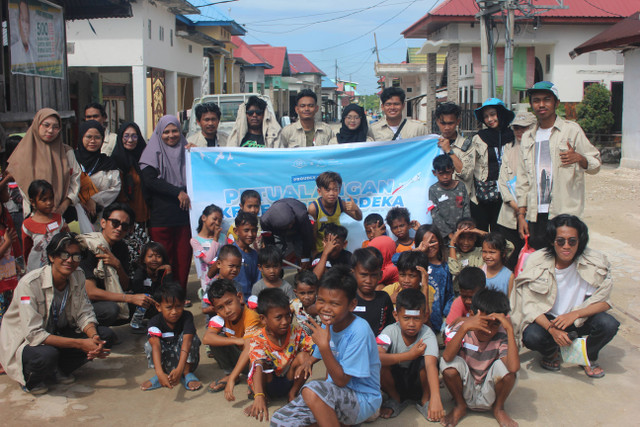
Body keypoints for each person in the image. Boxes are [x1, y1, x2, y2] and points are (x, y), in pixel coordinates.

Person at [0, 232, 116, 395]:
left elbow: (84, 312)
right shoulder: (29, 285)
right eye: (64, 254)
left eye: (76, 256)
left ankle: (58, 369)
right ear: (52, 256)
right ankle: (30, 379)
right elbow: (33, 334)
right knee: (46, 354)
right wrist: (80, 344)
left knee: (105, 336)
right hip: (27, 341)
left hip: (56, 332)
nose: (70, 260)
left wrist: (93, 337)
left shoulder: (78, 275)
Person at [270, 266, 382, 427]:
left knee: (311, 390)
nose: (326, 309)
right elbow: (320, 351)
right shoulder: (329, 323)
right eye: (321, 301)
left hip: (362, 400)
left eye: (335, 303)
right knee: (280, 420)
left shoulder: (359, 330)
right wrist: (309, 361)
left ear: (352, 305)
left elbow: (342, 381)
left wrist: (324, 347)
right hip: (332, 395)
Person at [511, 214, 619, 378]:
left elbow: (604, 303)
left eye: (572, 241)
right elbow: (528, 304)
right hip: (549, 320)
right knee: (531, 336)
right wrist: (552, 329)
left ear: (580, 241)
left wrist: (575, 314)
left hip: (578, 318)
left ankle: (587, 356)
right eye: (560, 241)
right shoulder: (536, 261)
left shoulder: (594, 262)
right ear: (552, 241)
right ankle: (552, 352)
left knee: (608, 324)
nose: (566, 246)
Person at [516, 81, 602, 248]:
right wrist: (521, 215)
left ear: (556, 103)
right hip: (536, 215)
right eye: (536, 100)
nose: (541, 104)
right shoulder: (527, 137)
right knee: (541, 262)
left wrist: (579, 158)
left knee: (565, 262)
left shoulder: (572, 131)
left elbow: (596, 164)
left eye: (547, 99)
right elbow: (522, 180)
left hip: (565, 213)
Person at [440, 288, 520, 427]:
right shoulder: (462, 327)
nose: (488, 329)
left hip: (488, 390)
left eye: (494, 324)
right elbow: (447, 356)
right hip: (465, 387)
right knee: (448, 366)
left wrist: (509, 330)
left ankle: (499, 408)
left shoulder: (502, 334)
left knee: (509, 372)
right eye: (484, 322)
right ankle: (460, 406)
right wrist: (465, 327)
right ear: (472, 315)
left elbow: (513, 368)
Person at [241, 288, 314, 421]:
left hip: (289, 380)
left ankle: (293, 394)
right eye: (278, 317)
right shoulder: (258, 338)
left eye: (288, 315)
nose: (285, 321)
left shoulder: (296, 332)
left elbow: (315, 348)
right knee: (259, 363)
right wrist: (259, 395)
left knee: (305, 357)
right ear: (263, 319)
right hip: (268, 383)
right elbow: (257, 365)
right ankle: (261, 397)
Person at [140, 115, 193, 292]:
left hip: (184, 216)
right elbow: (150, 181)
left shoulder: (187, 151)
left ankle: (180, 293)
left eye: (175, 131)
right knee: (163, 257)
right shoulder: (151, 153)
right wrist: (177, 192)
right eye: (166, 132)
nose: (171, 135)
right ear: (159, 133)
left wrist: (197, 154)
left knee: (183, 257)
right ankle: (165, 294)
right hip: (161, 217)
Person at [79, 203, 153, 327]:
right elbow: (90, 292)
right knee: (111, 310)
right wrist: (129, 298)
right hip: (84, 304)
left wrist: (117, 265)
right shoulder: (89, 246)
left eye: (124, 226)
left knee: (149, 304)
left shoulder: (121, 247)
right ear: (103, 223)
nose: (119, 228)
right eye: (115, 223)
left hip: (109, 297)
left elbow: (124, 286)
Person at [377, 289, 443, 421]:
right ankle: (395, 398)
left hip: (418, 382)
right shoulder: (389, 331)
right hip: (396, 381)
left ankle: (426, 401)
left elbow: (431, 366)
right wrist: (409, 355)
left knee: (426, 362)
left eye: (417, 318)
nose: (411, 324)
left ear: (425, 317)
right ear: (396, 316)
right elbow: (376, 357)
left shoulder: (427, 334)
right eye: (406, 318)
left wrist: (436, 398)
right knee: (379, 364)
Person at [6, 108, 81, 218]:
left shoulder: (66, 152)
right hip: (34, 215)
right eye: (46, 125)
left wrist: (63, 206)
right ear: (37, 124)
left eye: (55, 127)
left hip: (64, 213)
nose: (50, 130)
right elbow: (22, 185)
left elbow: (75, 180)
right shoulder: (23, 153)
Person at [140, 283, 202, 391]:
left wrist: (180, 369)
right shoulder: (154, 322)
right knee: (149, 344)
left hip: (186, 361)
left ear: (183, 304)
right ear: (158, 307)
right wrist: (159, 373)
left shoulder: (187, 317)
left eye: (178, 306)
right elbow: (155, 345)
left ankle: (187, 373)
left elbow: (187, 342)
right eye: (169, 307)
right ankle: (162, 376)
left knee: (193, 338)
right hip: (166, 361)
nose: (174, 312)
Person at [204, 278, 262, 393]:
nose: (227, 310)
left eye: (229, 303)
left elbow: (248, 349)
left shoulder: (251, 316)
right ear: (216, 310)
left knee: (254, 354)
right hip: (240, 355)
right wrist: (237, 341)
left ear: (240, 298)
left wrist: (232, 378)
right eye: (220, 307)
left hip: (256, 360)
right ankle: (229, 373)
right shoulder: (221, 318)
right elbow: (207, 338)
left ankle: (249, 379)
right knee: (216, 340)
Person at [497, 112, 536, 269]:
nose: (520, 132)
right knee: (509, 258)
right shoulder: (508, 149)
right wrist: (517, 208)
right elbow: (503, 182)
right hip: (509, 213)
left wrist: (525, 209)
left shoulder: (540, 151)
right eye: (516, 128)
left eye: (524, 128)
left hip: (533, 214)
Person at [471, 98, 515, 232]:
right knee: (481, 231)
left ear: (501, 114)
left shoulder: (513, 136)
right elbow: (471, 163)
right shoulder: (479, 138)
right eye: (486, 116)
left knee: (501, 232)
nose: (489, 119)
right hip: (484, 193)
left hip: (507, 192)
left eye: (493, 114)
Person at [111, 121, 149, 271]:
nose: (130, 140)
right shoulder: (114, 161)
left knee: (142, 256)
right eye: (126, 136)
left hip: (142, 216)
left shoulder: (145, 159)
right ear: (120, 138)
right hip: (123, 221)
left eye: (134, 136)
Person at [75, 120, 121, 227]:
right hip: (75, 214)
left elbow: (115, 187)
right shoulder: (71, 160)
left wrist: (94, 200)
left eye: (97, 137)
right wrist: (82, 202)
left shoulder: (108, 163)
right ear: (81, 137)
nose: (93, 141)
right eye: (88, 137)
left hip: (100, 216)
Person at [308, 171, 362, 254]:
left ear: (339, 190)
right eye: (327, 190)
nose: (332, 193)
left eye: (335, 189)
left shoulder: (341, 204)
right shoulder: (314, 208)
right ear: (319, 191)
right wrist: (314, 250)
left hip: (337, 248)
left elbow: (359, 218)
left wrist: (356, 209)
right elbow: (312, 232)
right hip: (321, 249)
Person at [435, 102, 478, 204]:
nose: (447, 127)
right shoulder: (433, 145)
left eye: (450, 123)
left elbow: (466, 174)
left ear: (458, 121)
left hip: (462, 202)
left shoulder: (467, 145)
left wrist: (449, 151)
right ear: (437, 122)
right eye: (443, 123)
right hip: (439, 201)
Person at [414, 224, 454, 334]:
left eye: (432, 242)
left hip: (435, 324)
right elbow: (396, 260)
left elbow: (449, 295)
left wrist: (446, 317)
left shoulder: (445, 268)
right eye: (425, 243)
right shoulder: (414, 264)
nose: (429, 246)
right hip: (414, 321)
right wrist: (418, 251)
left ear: (440, 242)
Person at [22, 180, 66, 272]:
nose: (49, 203)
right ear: (33, 202)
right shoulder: (28, 224)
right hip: (36, 269)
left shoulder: (58, 219)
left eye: (51, 198)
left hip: (57, 268)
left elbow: (65, 239)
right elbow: (26, 249)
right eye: (44, 200)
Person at [260, 198, 314, 269]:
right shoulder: (265, 222)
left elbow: (307, 237)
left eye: (291, 223)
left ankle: (302, 273)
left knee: (302, 257)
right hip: (277, 233)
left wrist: (305, 257)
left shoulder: (301, 216)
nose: (290, 226)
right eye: (287, 226)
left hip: (299, 231)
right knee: (275, 257)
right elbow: (269, 243)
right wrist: (273, 258)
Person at [352, 247, 395, 335]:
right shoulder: (347, 298)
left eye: (373, 275)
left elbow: (390, 328)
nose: (368, 280)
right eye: (363, 275)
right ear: (353, 273)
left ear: (380, 275)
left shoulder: (384, 298)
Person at [130, 241, 173, 326]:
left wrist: (168, 272)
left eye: (158, 256)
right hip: (142, 303)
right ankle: (136, 324)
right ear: (144, 259)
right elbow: (137, 290)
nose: (154, 259)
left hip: (158, 304)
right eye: (150, 256)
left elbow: (169, 290)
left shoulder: (163, 272)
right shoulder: (140, 272)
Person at [429, 154, 471, 240]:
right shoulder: (433, 190)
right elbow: (434, 214)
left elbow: (466, 208)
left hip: (461, 232)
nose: (445, 176)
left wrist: (464, 227)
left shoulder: (460, 186)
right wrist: (449, 234)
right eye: (441, 174)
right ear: (434, 173)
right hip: (442, 234)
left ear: (452, 170)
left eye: (447, 172)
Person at [191, 204, 222, 295]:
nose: (217, 223)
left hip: (223, 279)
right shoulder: (195, 241)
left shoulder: (223, 238)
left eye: (219, 221)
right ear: (204, 217)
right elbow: (208, 259)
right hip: (207, 281)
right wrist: (215, 239)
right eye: (214, 219)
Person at [230, 211, 259, 301]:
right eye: (246, 230)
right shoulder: (229, 251)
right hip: (230, 299)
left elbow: (256, 282)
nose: (250, 234)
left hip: (248, 301)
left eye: (253, 230)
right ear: (236, 231)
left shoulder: (255, 255)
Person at [290, 270, 320, 334]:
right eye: (302, 293)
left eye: (310, 292)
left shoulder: (322, 304)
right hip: (301, 341)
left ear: (317, 290)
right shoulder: (294, 304)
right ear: (296, 292)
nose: (306, 297)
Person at [10, 0, 36, 74]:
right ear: (18, 22)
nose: (25, 27)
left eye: (27, 21)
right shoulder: (13, 51)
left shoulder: (34, 53)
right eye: (22, 20)